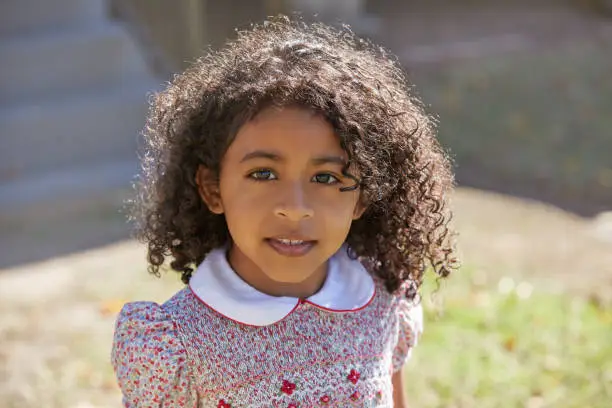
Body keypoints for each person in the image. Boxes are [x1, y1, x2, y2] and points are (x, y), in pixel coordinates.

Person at [111, 15, 457, 408]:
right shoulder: (179, 343)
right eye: (263, 173)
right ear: (212, 189)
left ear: (363, 195)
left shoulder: (382, 300)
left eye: (325, 178)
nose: (294, 208)